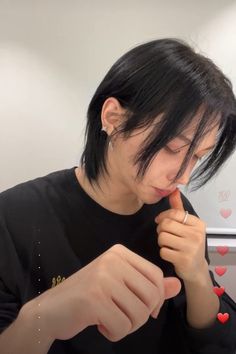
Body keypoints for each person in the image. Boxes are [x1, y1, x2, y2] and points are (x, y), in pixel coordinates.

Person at [0, 38, 236, 354]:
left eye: (198, 156)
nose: (183, 176)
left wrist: (198, 279)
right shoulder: (14, 217)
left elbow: (211, 341)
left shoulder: (176, 216)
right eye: (172, 148)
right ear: (113, 118)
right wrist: (42, 317)